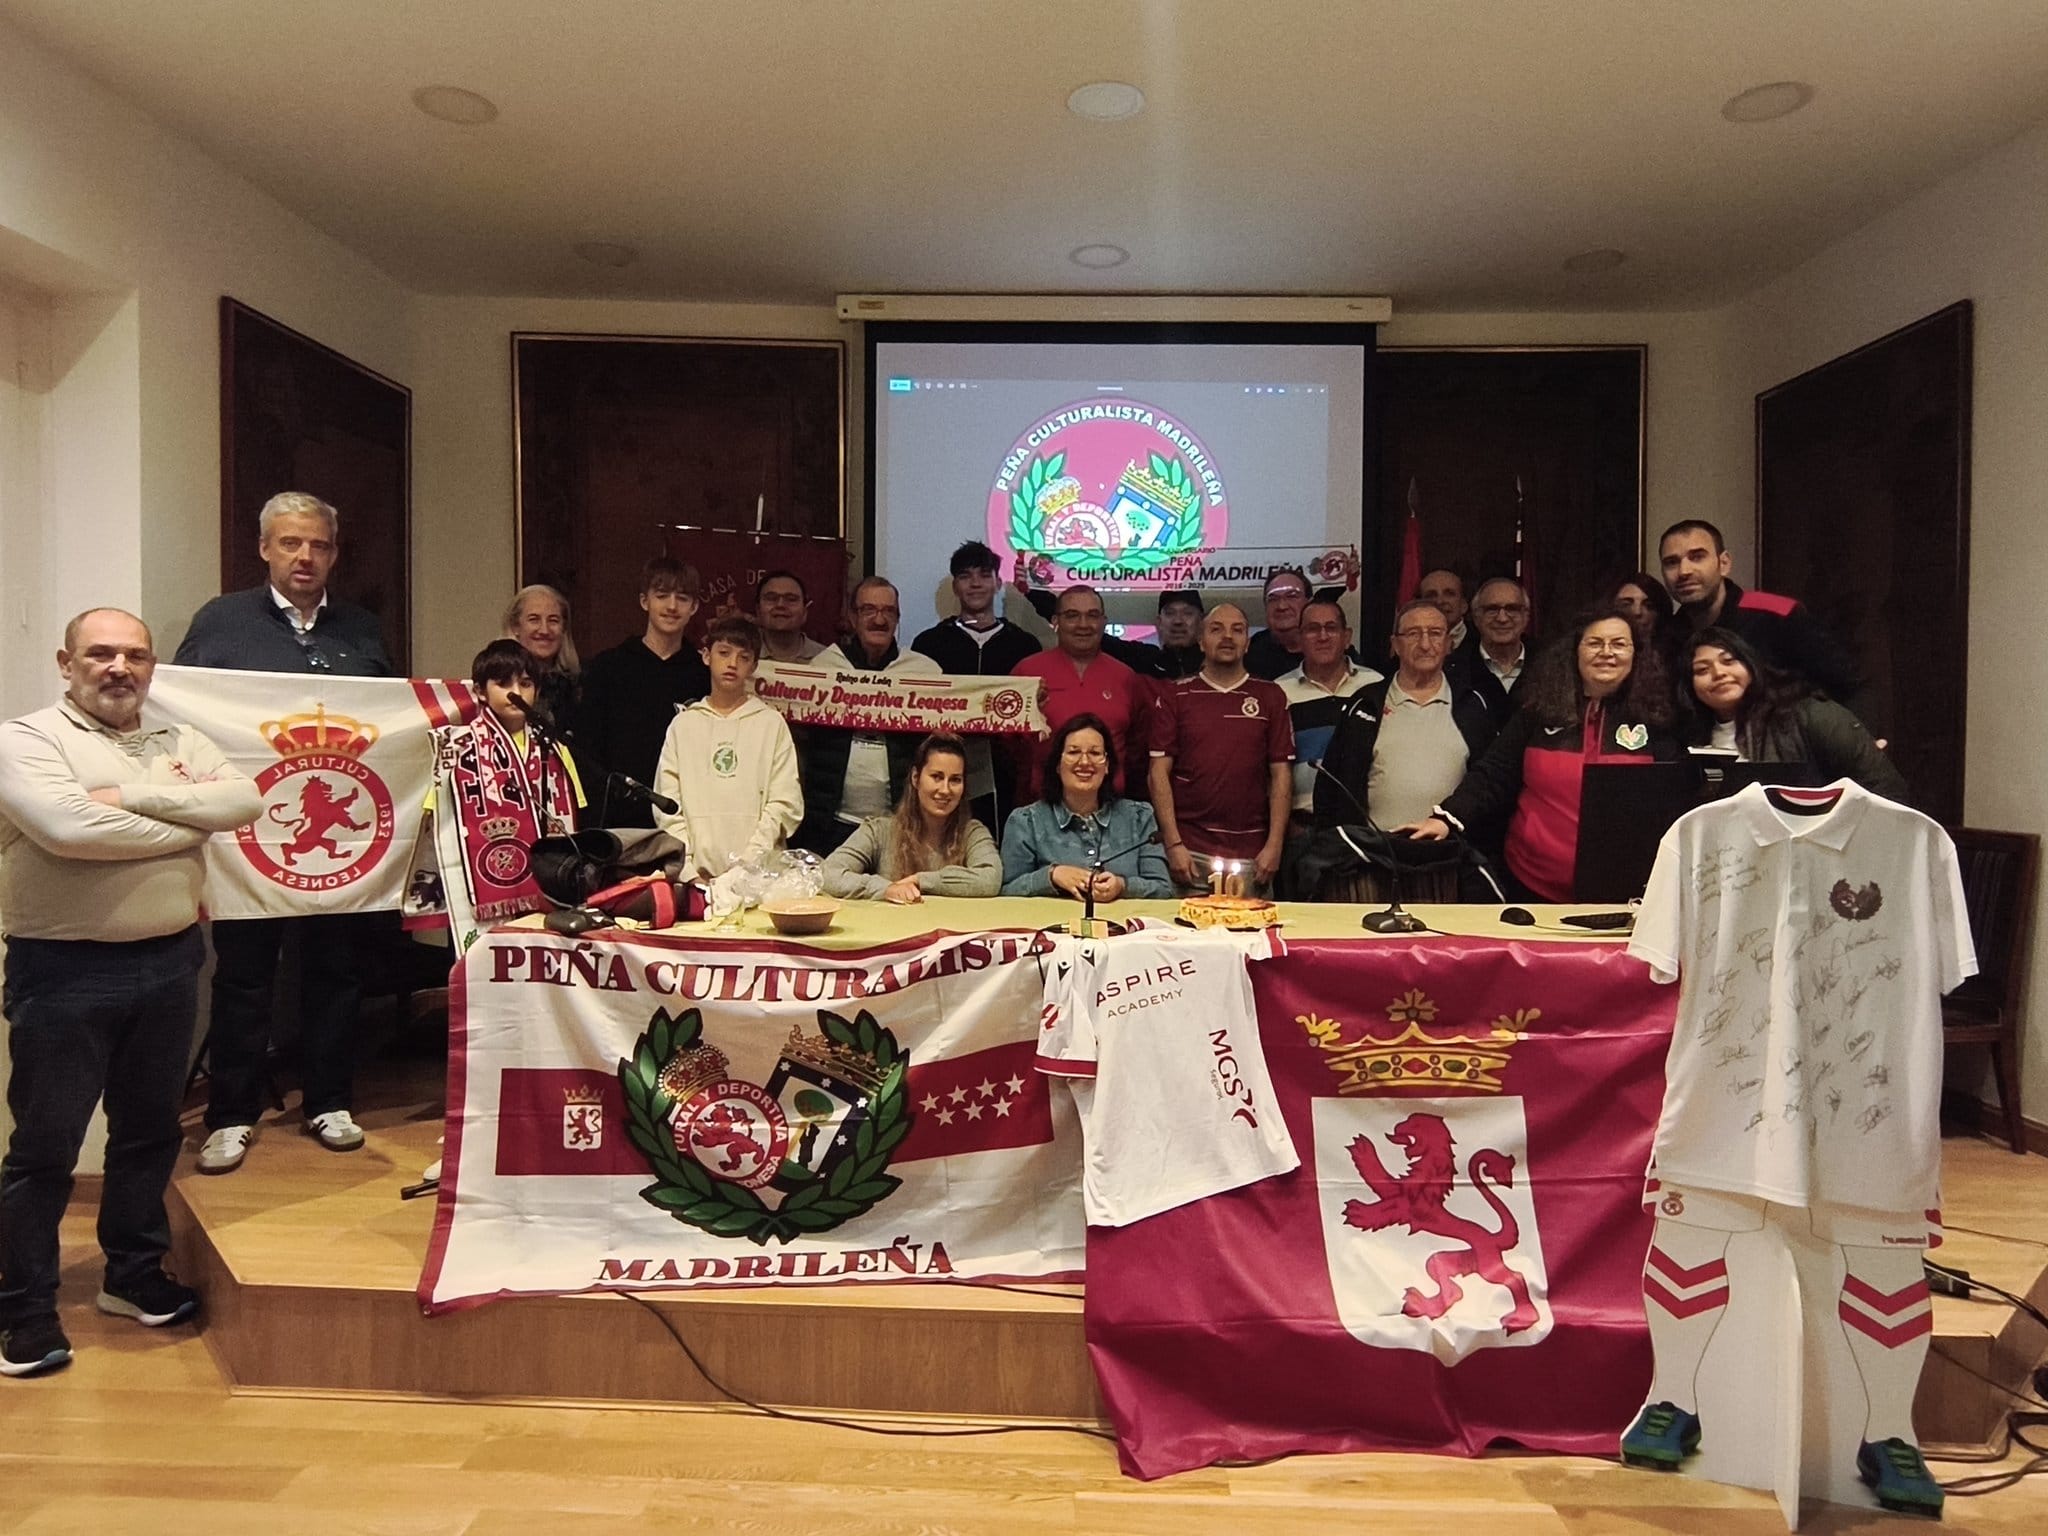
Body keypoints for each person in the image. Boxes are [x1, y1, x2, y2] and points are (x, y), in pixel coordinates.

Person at [0, 609, 261, 1376]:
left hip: (173, 962)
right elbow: (66, 829)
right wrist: (189, 819)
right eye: (101, 653)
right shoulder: (27, 740)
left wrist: (130, 799)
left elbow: (243, 802)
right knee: (45, 1149)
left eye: (135, 655)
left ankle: (132, 1274)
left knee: (149, 1133)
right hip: (63, 970)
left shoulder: (179, 740)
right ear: (66, 661)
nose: (120, 667)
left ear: (152, 667)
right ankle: (23, 1309)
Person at [175, 492, 392, 1174]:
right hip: (248, 839)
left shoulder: (361, 630)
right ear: (265, 547)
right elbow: (180, 709)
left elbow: (387, 723)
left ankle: (329, 1100)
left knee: (335, 971)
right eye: (291, 543)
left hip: (340, 848)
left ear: (334, 552)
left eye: (319, 545)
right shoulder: (221, 622)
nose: (305, 556)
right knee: (243, 976)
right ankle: (231, 1113)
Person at [1405, 607, 1677, 901]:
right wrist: (1446, 818)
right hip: (1530, 885)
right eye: (1595, 643)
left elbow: (1671, 805)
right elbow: (1493, 773)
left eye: (1619, 644)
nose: (1606, 652)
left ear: (1636, 654)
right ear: (1575, 651)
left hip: (1625, 892)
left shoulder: (1658, 722)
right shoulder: (1538, 713)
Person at [1313, 599, 1495, 833]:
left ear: (1449, 643)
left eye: (1435, 633)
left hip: (1452, 855)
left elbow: (1489, 785)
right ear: (1396, 645)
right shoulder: (1365, 704)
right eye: (1413, 634)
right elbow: (1330, 789)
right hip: (1375, 856)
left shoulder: (1472, 704)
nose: (1425, 644)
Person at [1149, 603, 1295, 894]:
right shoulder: (1176, 695)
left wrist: (1274, 846)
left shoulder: (1271, 696)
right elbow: (1158, 774)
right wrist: (1173, 843)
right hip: (1189, 851)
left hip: (1254, 853)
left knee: (1253, 937)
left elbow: (1281, 775)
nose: (1227, 636)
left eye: (1237, 630)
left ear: (1248, 643)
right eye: (1217, 629)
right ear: (1201, 641)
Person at [1657, 520, 1867, 719]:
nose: (1684, 571)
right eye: (1671, 562)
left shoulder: (1776, 613)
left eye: (1697, 557)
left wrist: (1861, 744)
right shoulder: (1667, 635)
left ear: (1724, 563)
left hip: (1784, 750)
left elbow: (1851, 685)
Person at [792, 577, 942, 853]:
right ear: (852, 616)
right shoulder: (823, 667)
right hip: (830, 824)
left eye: (888, 611)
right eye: (868, 610)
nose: (879, 620)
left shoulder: (925, 672)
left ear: (898, 618)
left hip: (900, 825)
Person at [653, 614, 802, 876]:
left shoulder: (770, 724)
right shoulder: (684, 725)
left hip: (759, 875)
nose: (732, 664)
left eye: (743, 657)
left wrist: (748, 864)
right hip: (694, 877)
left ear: (754, 665)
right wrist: (687, 867)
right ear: (706, 656)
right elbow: (667, 805)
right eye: (724, 653)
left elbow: (785, 803)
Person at [1684, 627, 1907, 799]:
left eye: (1729, 661)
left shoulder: (1808, 715)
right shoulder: (1692, 738)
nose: (1718, 673)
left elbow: (1884, 787)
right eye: (1702, 670)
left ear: (1751, 665)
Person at [912, 540, 1041, 828]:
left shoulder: (1024, 644)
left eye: (984, 575)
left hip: (1008, 772)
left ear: (997, 582)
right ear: (955, 586)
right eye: (965, 576)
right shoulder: (929, 644)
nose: (975, 584)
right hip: (944, 768)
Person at [573, 556, 708, 826]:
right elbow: (588, 751)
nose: (672, 606)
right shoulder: (608, 667)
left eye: (682, 598)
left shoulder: (704, 674)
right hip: (616, 817)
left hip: (686, 817)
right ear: (644, 601)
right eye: (662, 595)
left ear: (694, 606)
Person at [1002, 715, 1173, 900]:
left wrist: (1123, 886)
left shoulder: (1139, 817)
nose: (1084, 762)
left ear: (1107, 765)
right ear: (1057, 765)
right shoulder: (1026, 822)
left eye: (1095, 753)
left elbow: (1163, 889)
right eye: (1074, 752)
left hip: (1123, 926)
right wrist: (1051, 875)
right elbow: (1006, 890)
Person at [821, 732, 1000, 902]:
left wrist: (922, 881)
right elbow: (828, 874)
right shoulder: (879, 830)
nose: (945, 790)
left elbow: (990, 880)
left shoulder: (973, 832)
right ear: (916, 778)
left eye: (955, 780)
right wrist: (886, 889)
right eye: (936, 777)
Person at [1011, 585, 1147, 801]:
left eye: (1092, 616)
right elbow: (1009, 746)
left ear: (1104, 622)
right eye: (1072, 616)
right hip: (1042, 809)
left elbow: (1137, 749)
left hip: (1111, 808)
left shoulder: (1126, 677)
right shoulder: (1027, 672)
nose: (1083, 625)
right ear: (1056, 621)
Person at [1277, 600, 1383, 819]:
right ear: (1300, 639)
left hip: (1366, 825)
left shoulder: (1376, 685)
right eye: (1313, 629)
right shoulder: (1278, 692)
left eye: (1331, 628)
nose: (1322, 637)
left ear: (1347, 637)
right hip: (1302, 826)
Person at [1451, 576, 1533, 728]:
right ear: (1476, 617)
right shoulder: (1453, 671)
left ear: (1526, 617)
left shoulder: (1548, 666)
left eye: (1512, 609)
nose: (1502, 618)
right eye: (1492, 609)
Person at [502, 584, 582, 732]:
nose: (544, 630)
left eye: (553, 620)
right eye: (534, 620)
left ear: (564, 629)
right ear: (515, 627)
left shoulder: (579, 688)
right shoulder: (498, 684)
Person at [1246, 568, 1313, 681]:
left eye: (1292, 596)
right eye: (1273, 599)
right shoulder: (1251, 652)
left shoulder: (1329, 646)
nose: (1282, 606)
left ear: (1310, 604)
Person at [754, 569, 827, 663]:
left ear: (805, 612)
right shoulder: (735, 655)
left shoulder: (827, 660)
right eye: (771, 598)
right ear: (758, 611)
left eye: (791, 599)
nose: (780, 605)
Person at [1419, 568, 1471, 651]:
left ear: (1463, 605)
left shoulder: (1484, 643)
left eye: (1449, 594)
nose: (1440, 601)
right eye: (1431, 595)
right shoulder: (1409, 646)